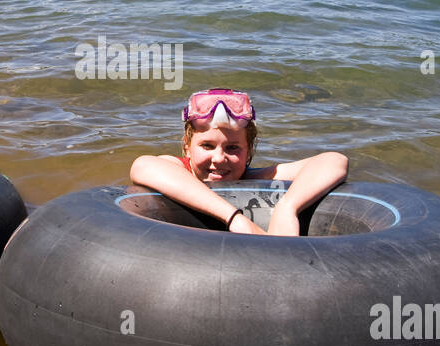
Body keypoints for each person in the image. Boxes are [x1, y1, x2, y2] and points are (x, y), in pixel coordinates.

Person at [128, 88, 348, 236]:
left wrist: (287, 208)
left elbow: (334, 161)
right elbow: (143, 165)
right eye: (207, 146)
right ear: (187, 145)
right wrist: (234, 217)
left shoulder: (251, 178)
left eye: (233, 148)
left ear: (249, 150)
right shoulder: (178, 169)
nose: (219, 158)